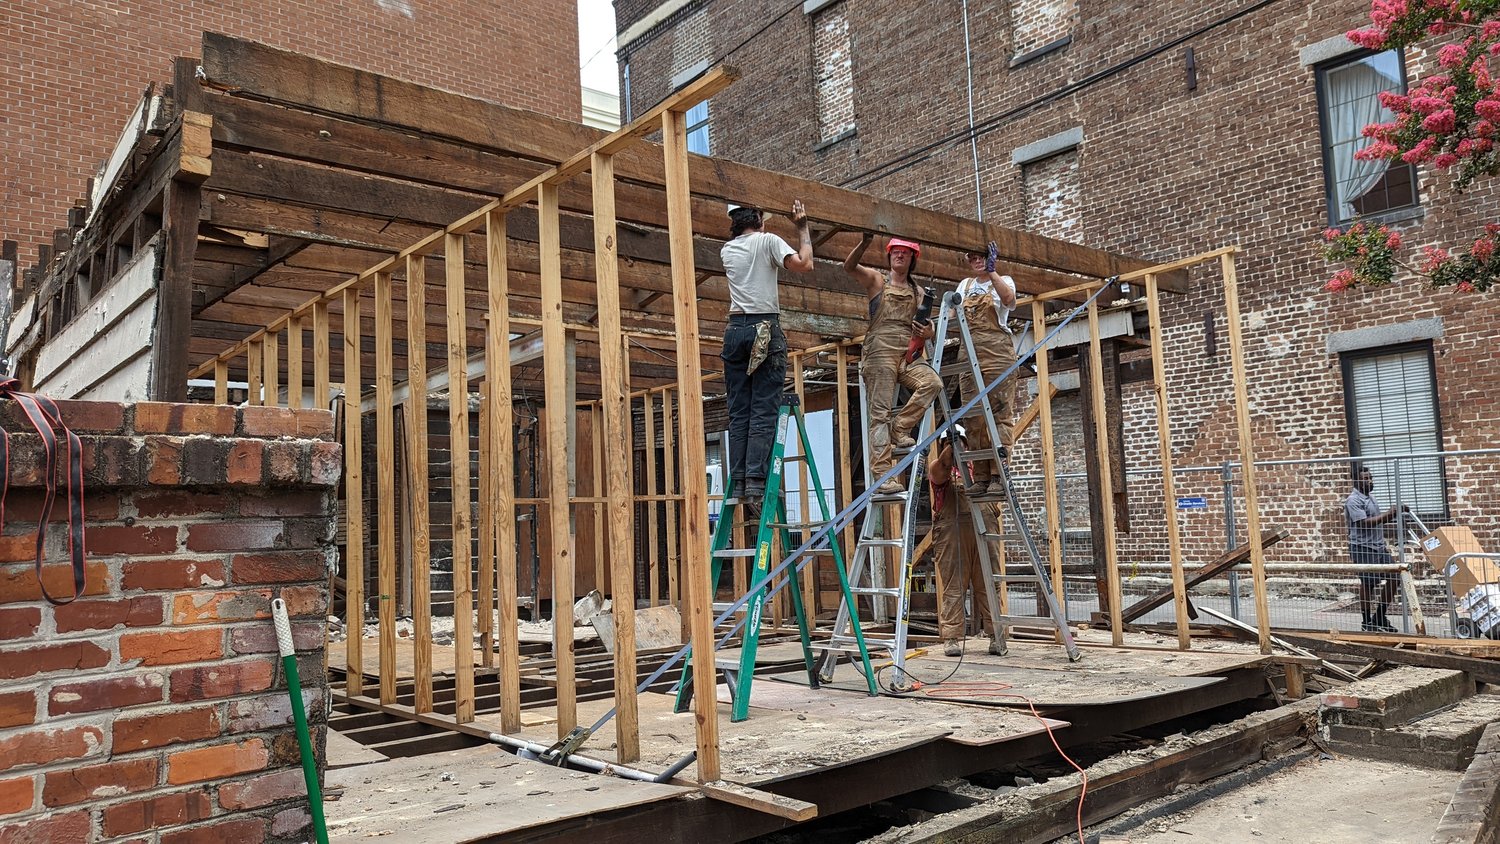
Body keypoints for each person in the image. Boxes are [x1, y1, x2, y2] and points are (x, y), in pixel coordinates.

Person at [719, 201, 814, 504]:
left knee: (739, 410)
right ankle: (756, 484)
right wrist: (802, 227)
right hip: (764, 328)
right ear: (758, 218)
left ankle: (737, 483)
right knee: (762, 407)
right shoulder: (768, 240)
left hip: (735, 331)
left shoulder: (727, 250)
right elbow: (805, 264)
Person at [843, 234, 941, 495]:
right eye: (895, 251)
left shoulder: (918, 292)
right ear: (889, 255)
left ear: (912, 258)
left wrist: (929, 331)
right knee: (880, 414)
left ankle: (901, 427)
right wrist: (863, 243)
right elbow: (849, 268)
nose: (899, 255)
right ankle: (883, 474)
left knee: (932, 382)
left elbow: (926, 327)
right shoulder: (877, 280)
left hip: (907, 353)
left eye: (905, 252)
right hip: (879, 351)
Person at [928, 425, 1004, 656]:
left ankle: (996, 635)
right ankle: (951, 637)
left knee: (989, 584)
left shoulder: (981, 473)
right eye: (951, 443)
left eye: (962, 441)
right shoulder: (939, 469)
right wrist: (950, 448)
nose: (959, 446)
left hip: (984, 532)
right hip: (953, 537)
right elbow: (941, 468)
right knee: (953, 587)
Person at [953, 242, 1017, 498]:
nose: (977, 261)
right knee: (973, 418)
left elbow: (1009, 300)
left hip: (997, 354)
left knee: (1000, 414)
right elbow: (952, 314)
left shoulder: (1003, 281)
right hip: (969, 355)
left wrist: (992, 273)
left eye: (983, 257)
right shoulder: (964, 286)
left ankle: (998, 475)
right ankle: (980, 476)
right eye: (973, 257)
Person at [1345, 465, 1406, 632]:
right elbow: (1363, 524)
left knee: (1394, 577)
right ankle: (1367, 623)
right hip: (1363, 547)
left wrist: (1394, 513)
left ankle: (1379, 617)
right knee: (1369, 583)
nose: (1370, 481)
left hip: (1378, 546)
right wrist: (1389, 513)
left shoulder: (1370, 497)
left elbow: (1377, 520)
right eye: (1365, 479)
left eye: (1370, 478)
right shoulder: (1353, 500)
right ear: (1356, 481)